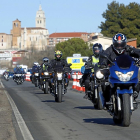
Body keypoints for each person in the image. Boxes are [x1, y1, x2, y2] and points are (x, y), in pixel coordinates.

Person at [99, 33, 140, 100]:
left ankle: (135, 92)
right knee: (105, 82)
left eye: (121, 45)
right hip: (113, 70)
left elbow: (138, 52)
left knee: (137, 80)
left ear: (125, 43)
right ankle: (107, 99)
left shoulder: (129, 48)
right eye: (117, 45)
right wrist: (103, 63)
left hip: (127, 70)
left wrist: (134, 51)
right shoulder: (109, 50)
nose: (119, 47)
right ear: (114, 43)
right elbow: (104, 56)